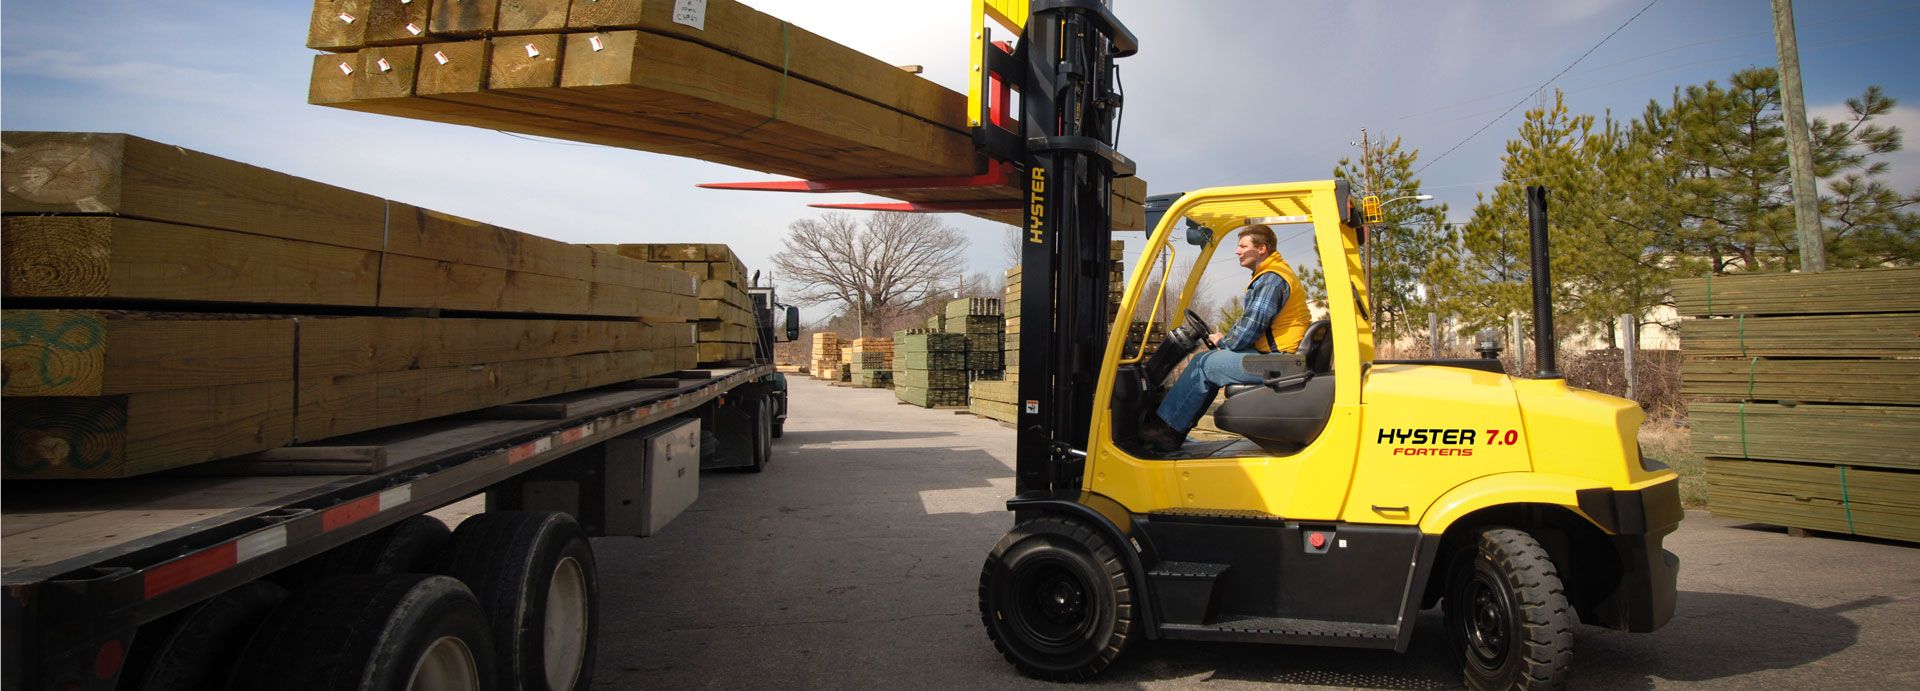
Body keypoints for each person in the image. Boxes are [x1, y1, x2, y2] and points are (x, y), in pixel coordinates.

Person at [1138, 224, 1313, 453]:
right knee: (1211, 361)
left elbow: (1250, 329)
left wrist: (1224, 342)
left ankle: (1166, 431)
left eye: (1243, 246)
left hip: (1278, 361)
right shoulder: (1274, 274)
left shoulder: (1271, 280)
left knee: (1203, 364)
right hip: (1279, 357)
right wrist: (1225, 341)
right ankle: (1176, 426)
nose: (1237, 251)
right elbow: (1252, 327)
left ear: (1262, 248)